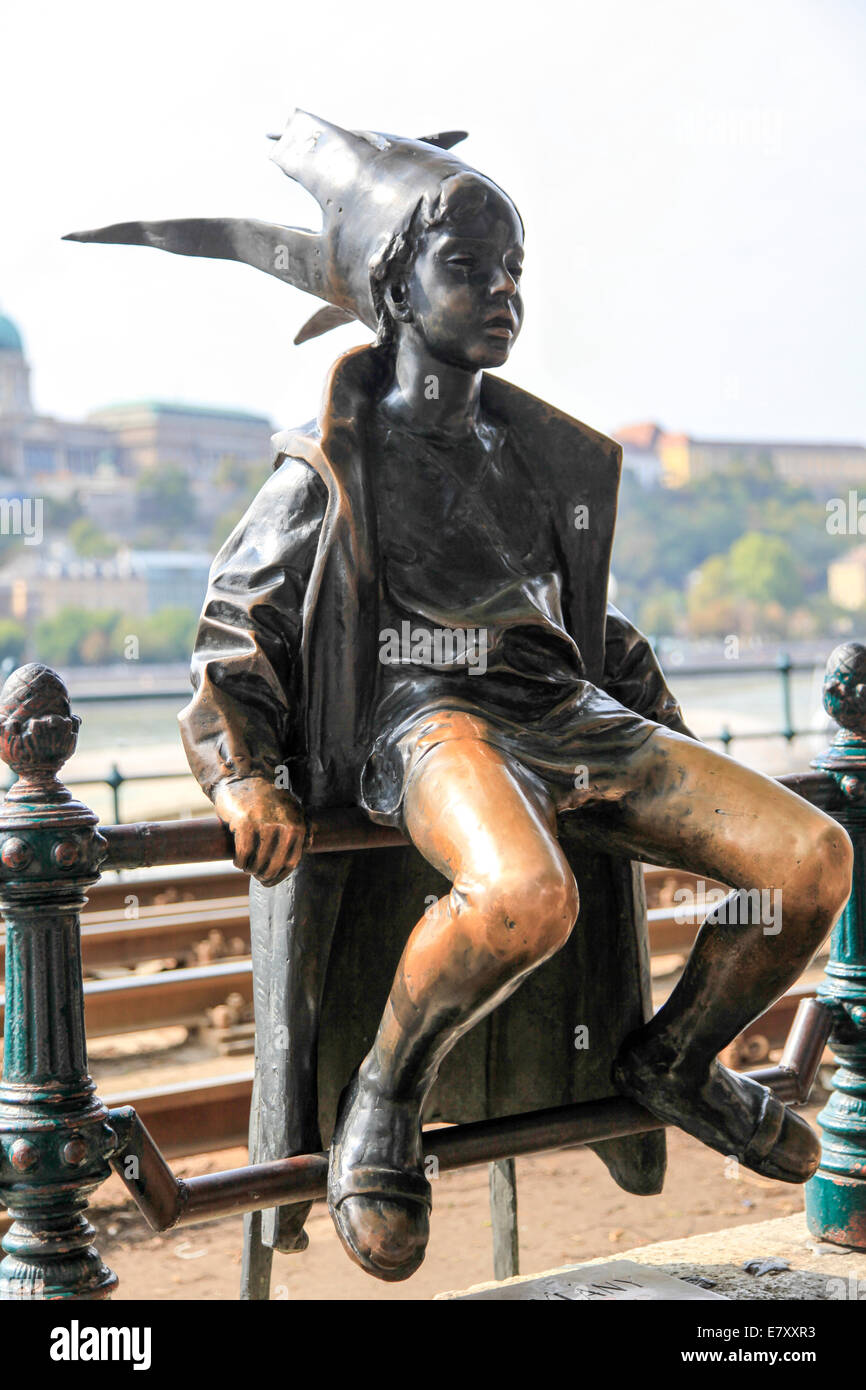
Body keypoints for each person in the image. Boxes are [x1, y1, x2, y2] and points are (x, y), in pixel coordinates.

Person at [67, 111, 853, 1283]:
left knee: (811, 857)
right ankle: (383, 1098)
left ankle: (676, 1061)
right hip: (427, 722)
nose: (502, 290)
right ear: (394, 287)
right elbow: (237, 624)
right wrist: (240, 774)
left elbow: (576, 622)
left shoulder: (537, 456)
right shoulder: (333, 460)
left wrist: (670, 745)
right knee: (525, 893)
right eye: (468, 265)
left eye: (512, 268)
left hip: (566, 712)